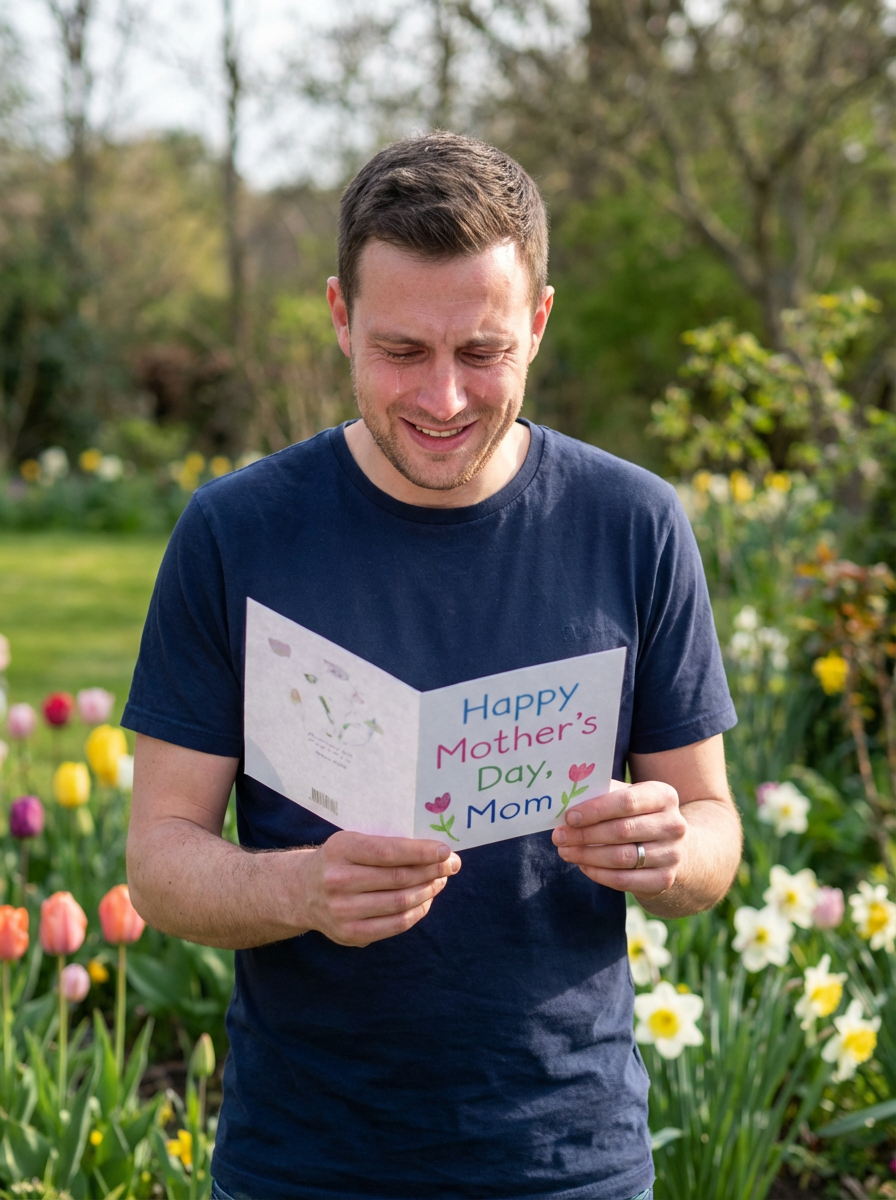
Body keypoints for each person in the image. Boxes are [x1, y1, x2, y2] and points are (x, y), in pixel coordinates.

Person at [124, 131, 741, 1200]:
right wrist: (302, 887)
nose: (444, 399)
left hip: (567, 1157)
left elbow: (713, 831)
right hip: (303, 1161)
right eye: (402, 351)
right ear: (339, 315)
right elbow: (158, 860)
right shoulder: (236, 533)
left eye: (482, 352)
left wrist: (667, 850)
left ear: (537, 323)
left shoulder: (632, 523)